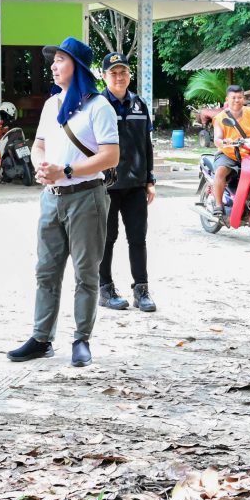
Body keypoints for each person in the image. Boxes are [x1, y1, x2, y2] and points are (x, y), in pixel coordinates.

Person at [8, 37, 119, 367]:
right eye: (53, 61)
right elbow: (40, 143)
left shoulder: (99, 107)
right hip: (51, 198)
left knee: (86, 273)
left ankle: (81, 338)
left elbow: (110, 156)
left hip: (86, 198)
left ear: (79, 67)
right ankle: (42, 338)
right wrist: (41, 166)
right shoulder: (51, 105)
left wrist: (67, 169)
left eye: (60, 60)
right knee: (46, 270)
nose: (53, 66)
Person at [97, 52, 157, 313]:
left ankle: (141, 289)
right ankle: (105, 288)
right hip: (105, 185)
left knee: (137, 238)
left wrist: (150, 180)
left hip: (135, 184)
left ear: (129, 75)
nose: (119, 77)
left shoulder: (139, 105)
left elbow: (147, 144)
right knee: (106, 239)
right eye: (113, 73)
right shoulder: (96, 104)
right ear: (104, 76)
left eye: (123, 72)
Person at [211, 85, 250, 218]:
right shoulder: (220, 117)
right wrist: (223, 142)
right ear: (227, 99)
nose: (236, 100)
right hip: (228, 153)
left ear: (244, 99)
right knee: (221, 170)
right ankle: (218, 205)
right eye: (233, 97)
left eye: (239, 97)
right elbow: (217, 138)